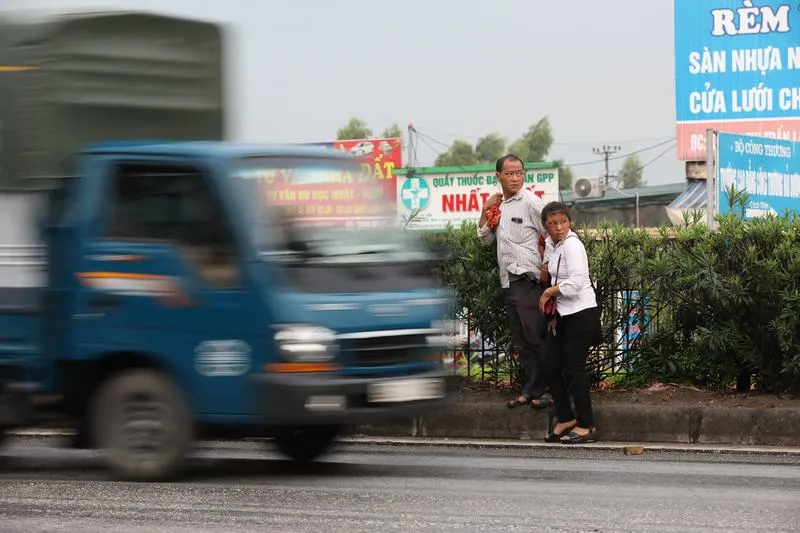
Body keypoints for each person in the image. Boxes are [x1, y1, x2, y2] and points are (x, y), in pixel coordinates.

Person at [477, 154, 552, 410]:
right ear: (498, 176)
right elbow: (484, 239)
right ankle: (532, 390)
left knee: (537, 337)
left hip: (528, 279)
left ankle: (550, 390)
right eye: (509, 173)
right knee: (522, 340)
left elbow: (553, 230)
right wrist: (485, 209)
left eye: (519, 173)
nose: (515, 178)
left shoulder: (530, 202)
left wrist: (546, 264)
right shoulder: (499, 206)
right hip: (508, 281)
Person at [538, 201, 600, 444]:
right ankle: (565, 417)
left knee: (575, 370)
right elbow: (550, 268)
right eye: (552, 223)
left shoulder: (573, 246)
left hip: (581, 313)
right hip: (563, 316)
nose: (559, 227)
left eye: (563, 222)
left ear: (570, 222)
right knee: (549, 364)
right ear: (546, 227)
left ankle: (587, 424)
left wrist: (547, 293)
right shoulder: (555, 246)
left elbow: (574, 286)